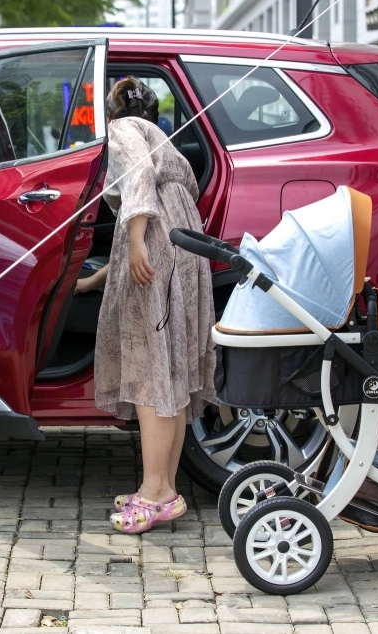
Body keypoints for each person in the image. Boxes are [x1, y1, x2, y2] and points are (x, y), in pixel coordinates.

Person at [94, 77, 217, 534]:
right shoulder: (168, 142)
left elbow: (139, 178)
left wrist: (133, 240)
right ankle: (164, 487)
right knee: (172, 375)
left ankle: (153, 492)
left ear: (113, 113)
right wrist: (101, 277)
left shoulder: (123, 128)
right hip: (184, 251)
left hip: (155, 244)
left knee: (150, 372)